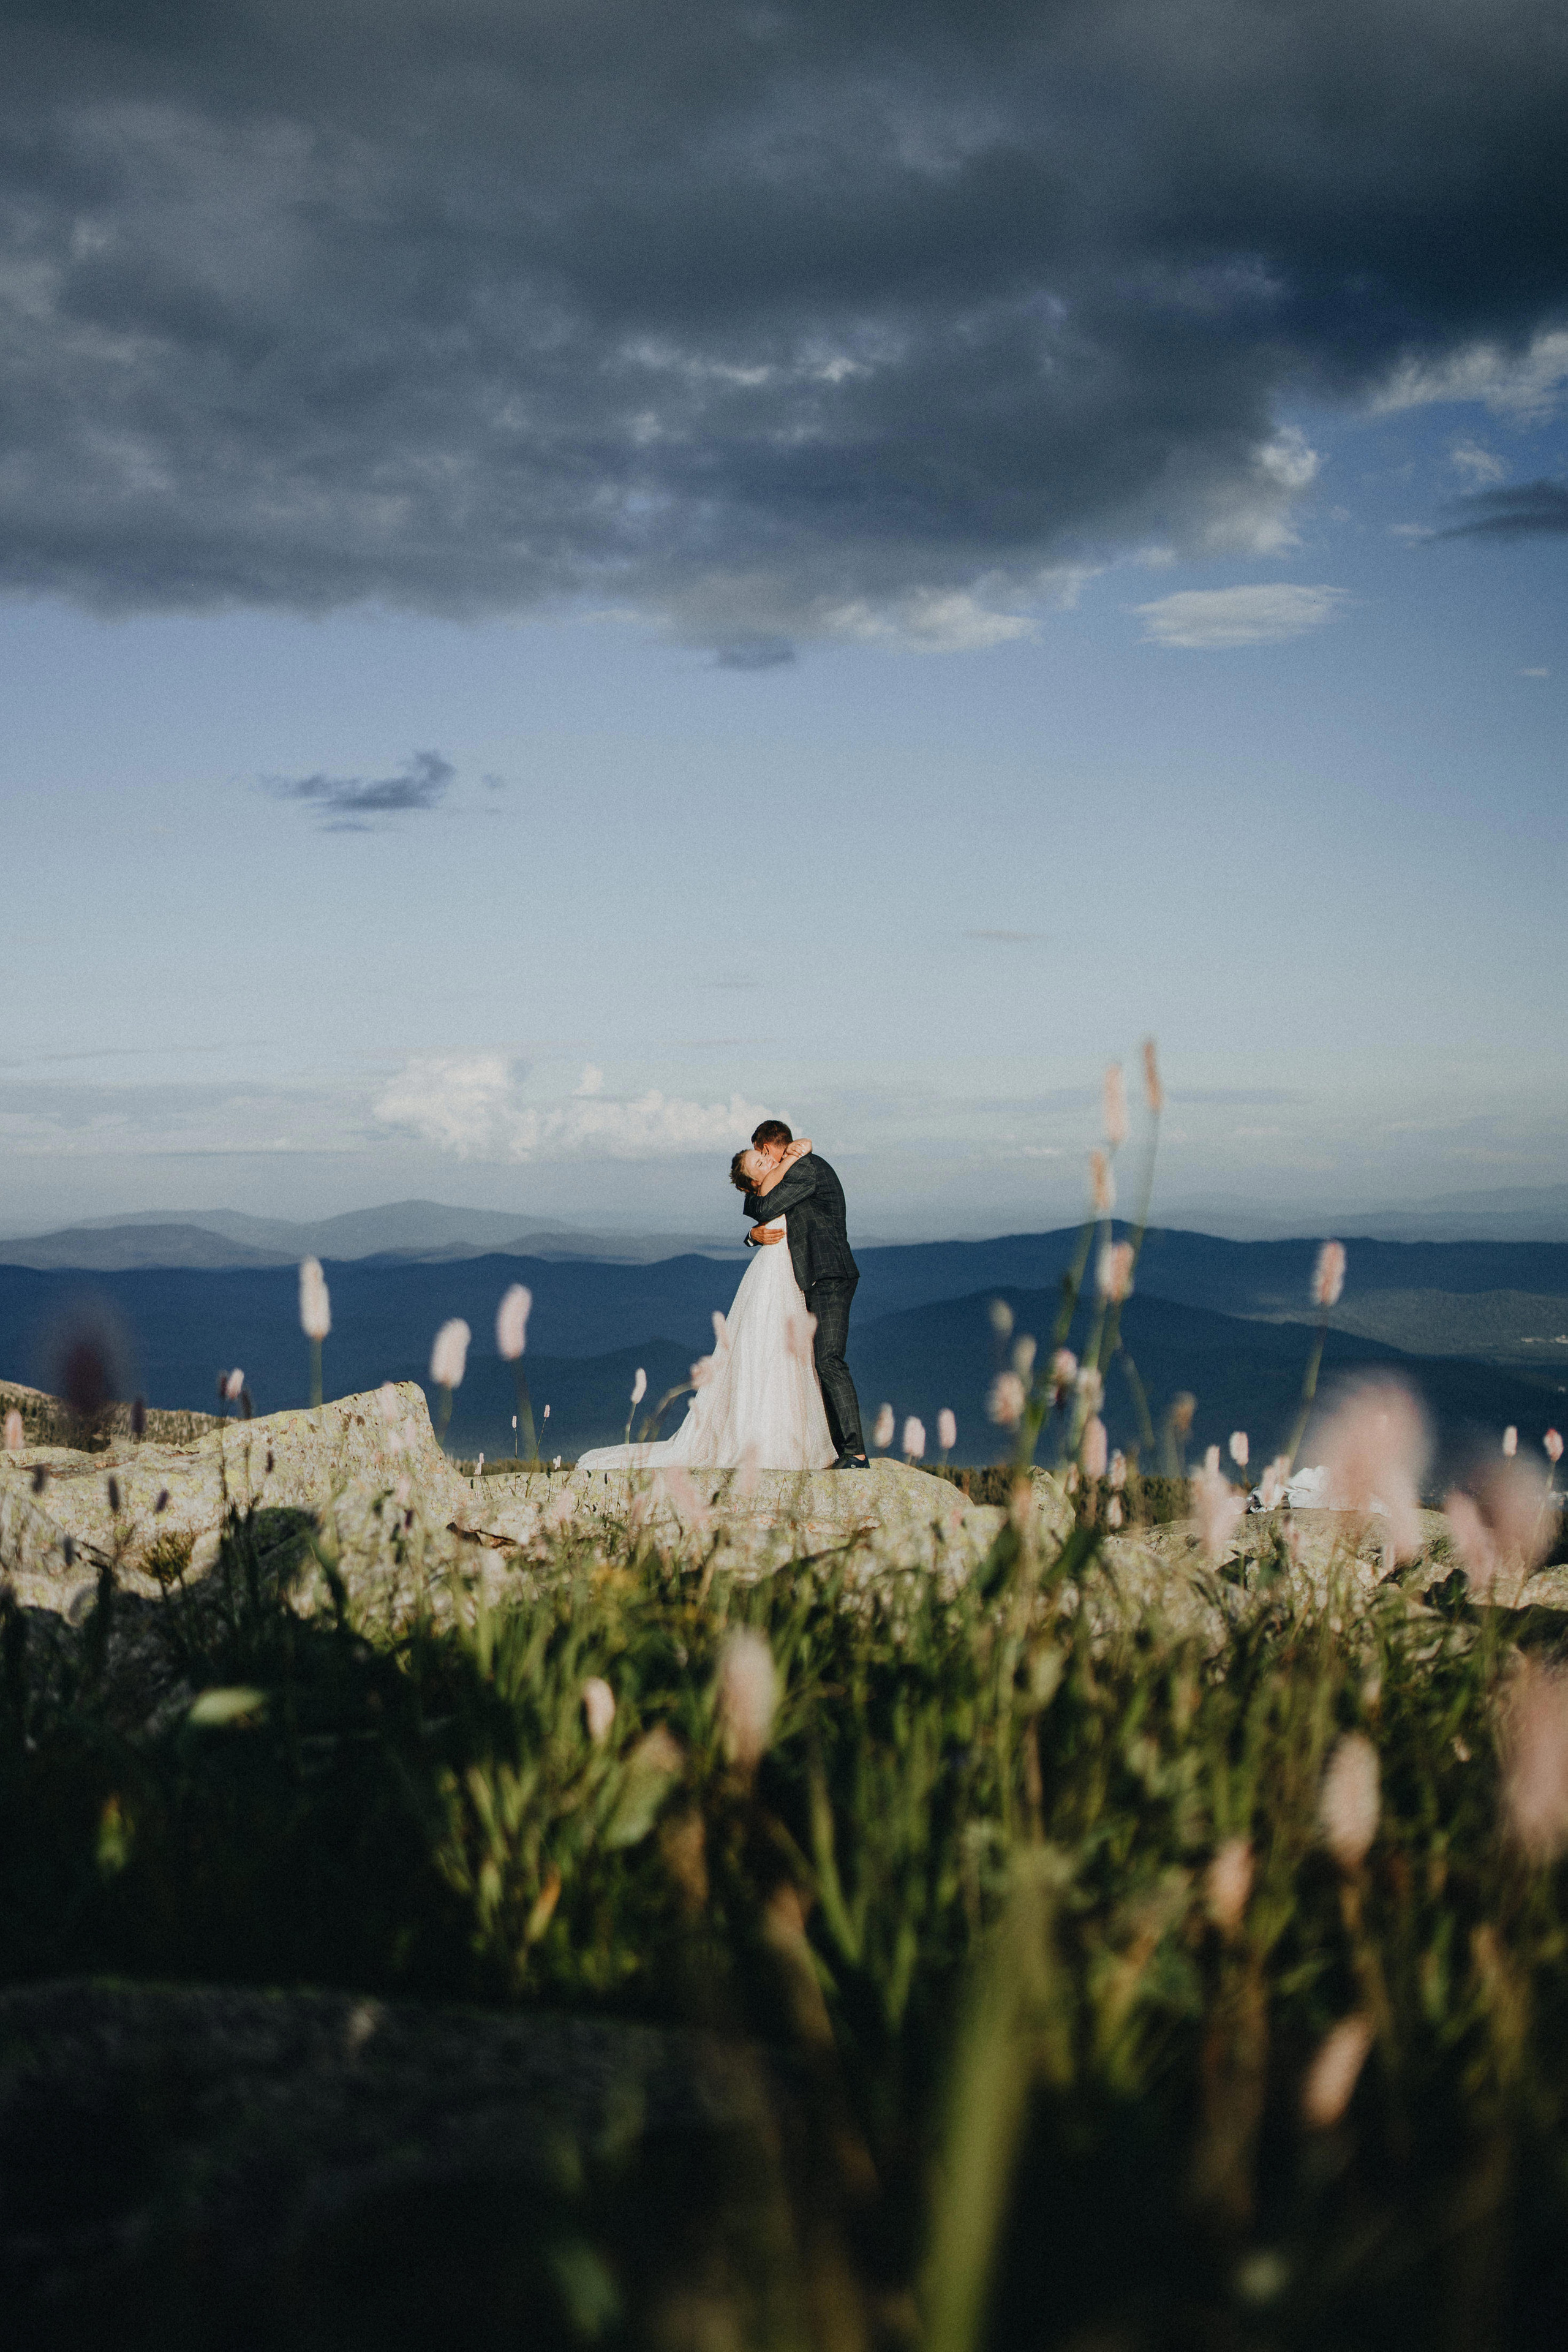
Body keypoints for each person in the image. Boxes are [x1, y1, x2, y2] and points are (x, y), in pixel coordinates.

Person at [576, 1135, 838, 1471]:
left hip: (789, 1275)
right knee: (767, 1352)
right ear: (754, 1183)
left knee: (788, 1356)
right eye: (760, 1162)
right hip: (774, 1277)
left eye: (763, 1156)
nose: (768, 1161)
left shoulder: (781, 1182)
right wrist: (788, 1161)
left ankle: (792, 1437)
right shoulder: (769, 1188)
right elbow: (764, 1201)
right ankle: (765, 1441)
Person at [739, 1119, 869, 1470]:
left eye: (761, 1155)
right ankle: (836, 1449)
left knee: (829, 1360)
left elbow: (766, 1207)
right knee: (816, 1365)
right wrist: (753, 1235)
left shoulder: (805, 1169)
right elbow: (769, 1217)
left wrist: (755, 1198)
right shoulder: (795, 1169)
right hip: (812, 1278)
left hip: (830, 1275)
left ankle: (855, 1452)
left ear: (766, 1148)